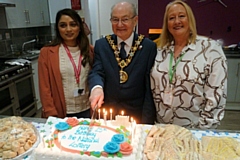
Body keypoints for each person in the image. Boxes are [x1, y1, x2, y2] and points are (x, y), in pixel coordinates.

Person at [151, 0, 227, 129]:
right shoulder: (160, 50)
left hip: (194, 129)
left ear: (190, 19)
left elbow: (217, 95)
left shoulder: (210, 49)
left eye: (181, 16)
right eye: (171, 18)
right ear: (166, 23)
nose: (177, 21)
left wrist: (203, 129)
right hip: (162, 128)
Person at [88, 2, 157, 124]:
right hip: (108, 115)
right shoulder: (102, 45)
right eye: (115, 19)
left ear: (135, 21)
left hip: (136, 116)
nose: (119, 24)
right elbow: (97, 71)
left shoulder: (148, 47)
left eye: (125, 19)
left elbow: (148, 87)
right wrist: (96, 88)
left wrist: (146, 122)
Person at [38, 8, 93, 119]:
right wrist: (50, 113)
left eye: (73, 24)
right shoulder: (47, 53)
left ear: (79, 27)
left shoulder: (90, 51)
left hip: (86, 109)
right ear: (58, 29)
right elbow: (44, 87)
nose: (68, 29)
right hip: (61, 112)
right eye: (63, 25)